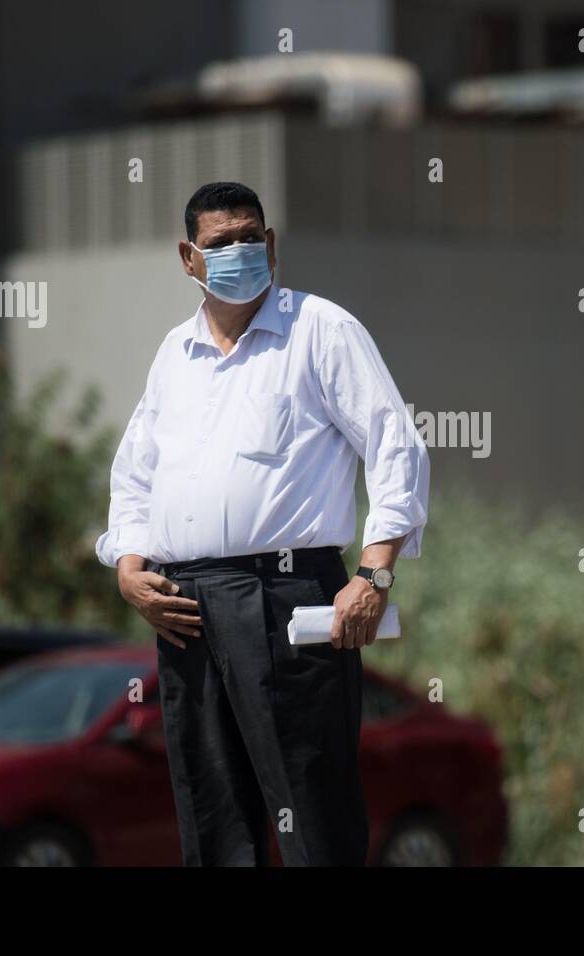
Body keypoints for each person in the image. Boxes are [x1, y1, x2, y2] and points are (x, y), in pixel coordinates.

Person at [95, 181, 430, 866]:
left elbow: (395, 444)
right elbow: (136, 471)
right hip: (183, 605)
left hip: (286, 595)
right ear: (189, 259)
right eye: (221, 243)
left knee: (311, 808)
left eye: (252, 237)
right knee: (212, 813)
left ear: (272, 244)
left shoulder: (320, 330)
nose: (240, 252)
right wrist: (129, 569)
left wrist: (374, 573)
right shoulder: (174, 355)